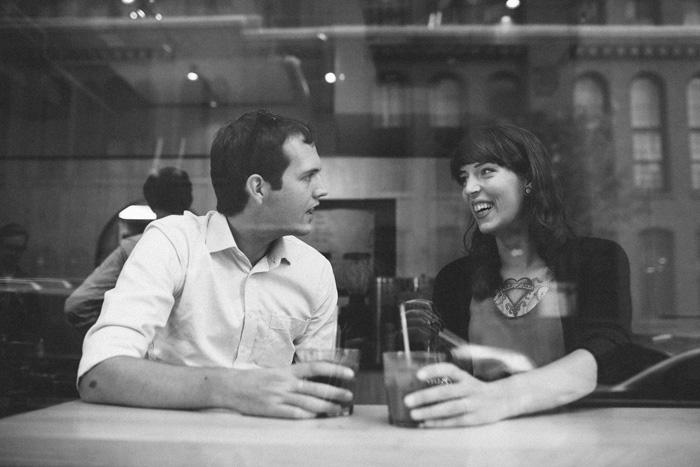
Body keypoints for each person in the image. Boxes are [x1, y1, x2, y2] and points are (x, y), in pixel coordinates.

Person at [77, 110, 352, 419]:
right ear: (259, 188)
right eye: (307, 176)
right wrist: (235, 389)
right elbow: (98, 375)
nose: (321, 189)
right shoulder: (173, 242)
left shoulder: (314, 271)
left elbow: (319, 393)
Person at [403, 123, 632, 427]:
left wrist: (501, 398)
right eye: (463, 178)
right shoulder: (455, 279)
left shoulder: (597, 260)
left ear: (528, 180)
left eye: (485, 172)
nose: (469, 189)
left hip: (577, 439)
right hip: (482, 443)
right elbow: (449, 375)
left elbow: (604, 354)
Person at [64, 166, 194, 338]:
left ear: (151, 202)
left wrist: (118, 342)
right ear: (189, 199)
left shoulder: (136, 247)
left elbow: (78, 305)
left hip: (140, 356)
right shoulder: (206, 245)